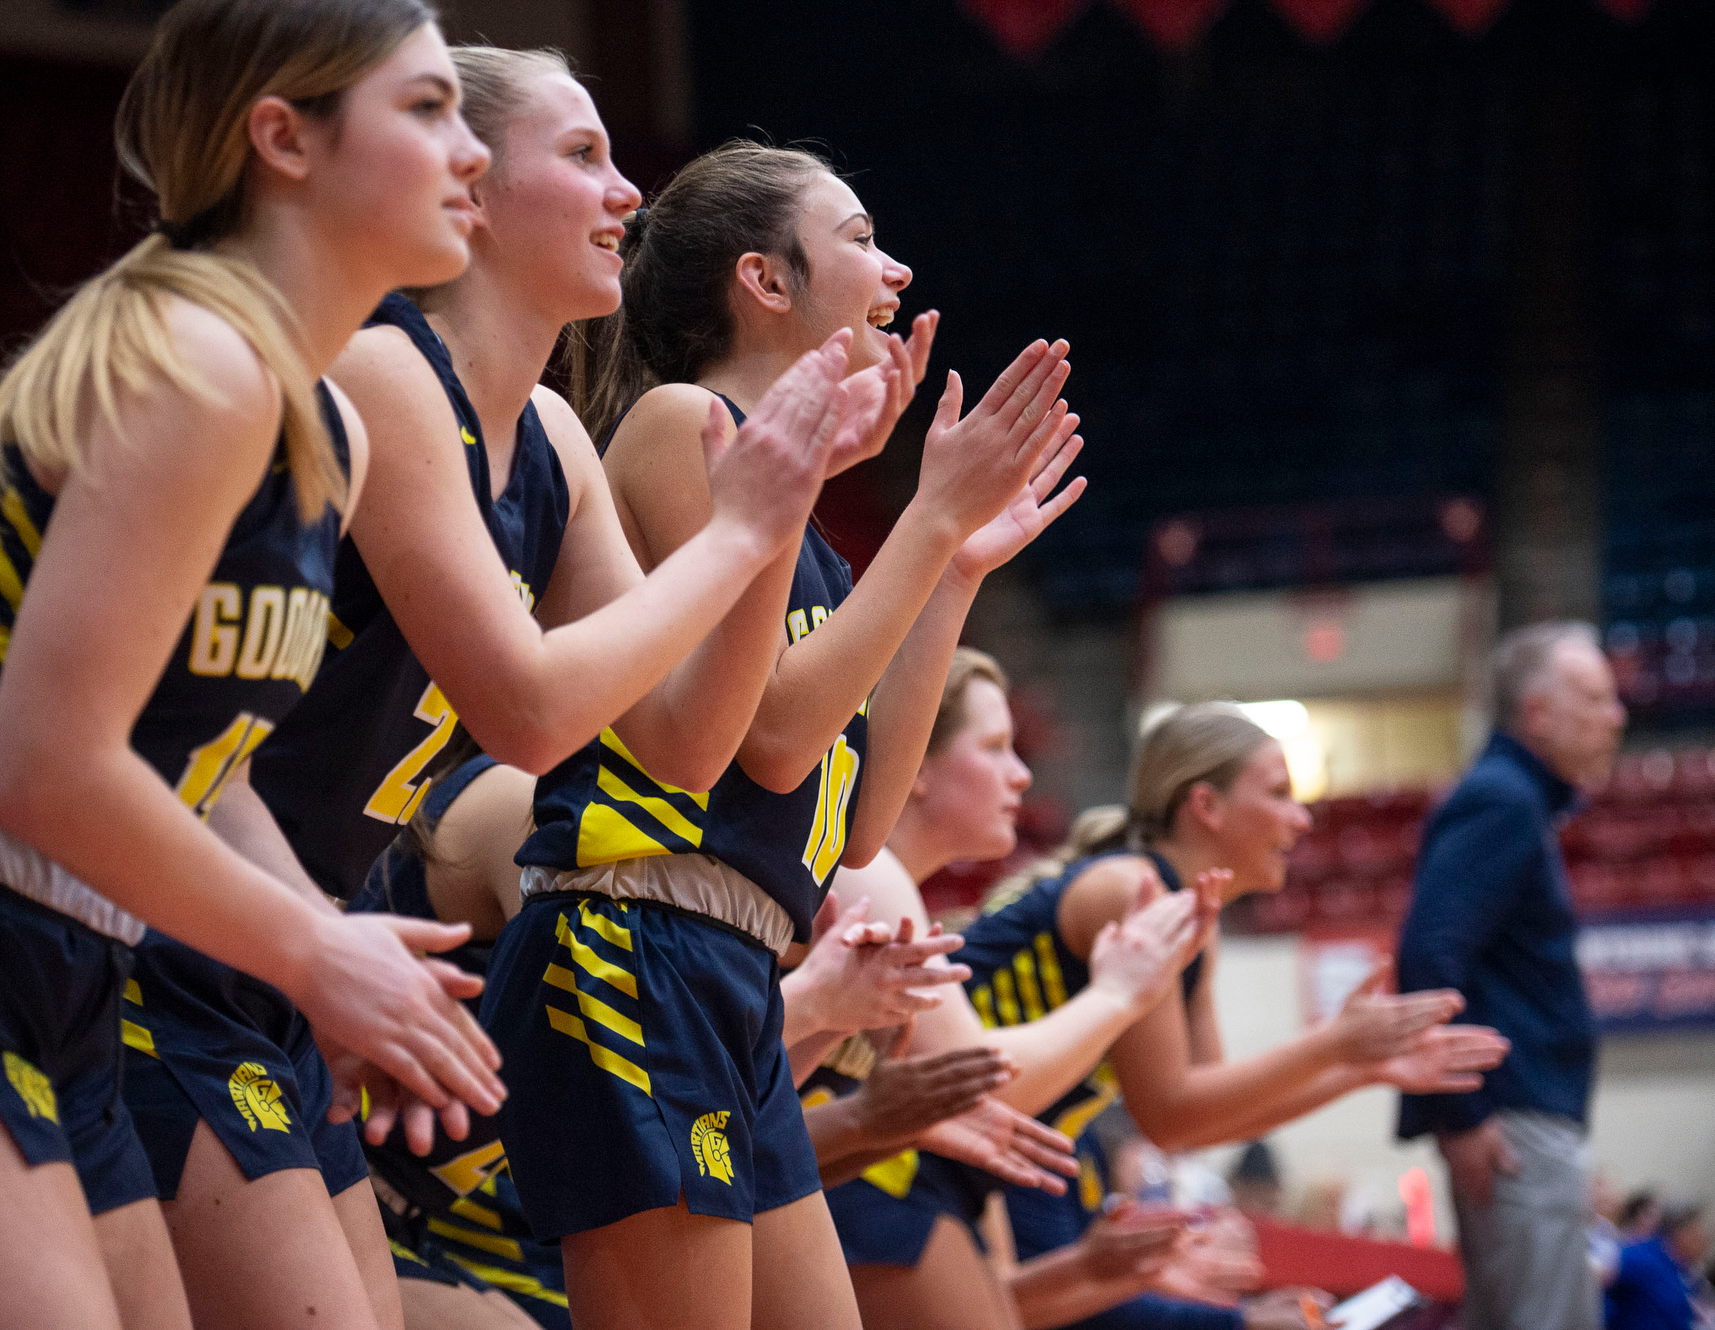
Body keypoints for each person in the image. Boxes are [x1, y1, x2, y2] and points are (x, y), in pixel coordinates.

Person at [0, 2, 497, 1324]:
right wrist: (312, 949)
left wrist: (345, 957)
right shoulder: (199, 362)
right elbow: (44, 766)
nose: (467, 147)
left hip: (63, 963)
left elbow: (203, 770)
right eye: (427, 107)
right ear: (283, 140)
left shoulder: (323, 432)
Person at [119, 44, 902, 1330]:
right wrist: (740, 529)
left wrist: (778, 503)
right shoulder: (384, 369)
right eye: (584, 156)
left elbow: (684, 745)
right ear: (472, 190)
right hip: (181, 924)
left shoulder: (548, 438)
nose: (627, 196)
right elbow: (527, 713)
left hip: (290, 947)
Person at [482, 140, 1090, 1330]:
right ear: (765, 282)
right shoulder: (677, 424)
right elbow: (766, 738)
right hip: (633, 938)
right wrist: (924, 517)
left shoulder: (810, 537)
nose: (895, 267)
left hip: (735, 968)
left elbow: (859, 826)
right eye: (860, 238)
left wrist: (951, 564)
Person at [841, 697, 1508, 1330]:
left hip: (975, 1154)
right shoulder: (1135, 891)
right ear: (1206, 805)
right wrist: (1336, 1047)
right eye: (1277, 792)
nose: (1301, 817)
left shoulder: (1190, 918)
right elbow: (1169, 1109)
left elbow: (1201, 1118)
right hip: (904, 1147)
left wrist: (1361, 1068)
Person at [356, 736, 1044, 1329]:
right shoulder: (563, 827)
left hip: (452, 1217)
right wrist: (1120, 993)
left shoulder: (754, 896)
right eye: (991, 746)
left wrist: (854, 1094)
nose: (1021, 773)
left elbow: (711, 1128)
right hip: (402, 1205)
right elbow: (649, 1085)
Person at [1396, 620, 1628, 1330]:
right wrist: (1462, 1114)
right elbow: (1428, 954)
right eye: (1595, 697)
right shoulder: (1503, 799)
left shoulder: (1513, 799)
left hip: (1514, 1116)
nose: (1616, 715)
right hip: (1511, 1120)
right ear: (1538, 713)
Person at [1606, 1205, 1710, 1330]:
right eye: (1700, 1237)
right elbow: (1598, 1275)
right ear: (1684, 1234)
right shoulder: (1644, 1258)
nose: (1704, 1245)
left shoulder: (1682, 1268)